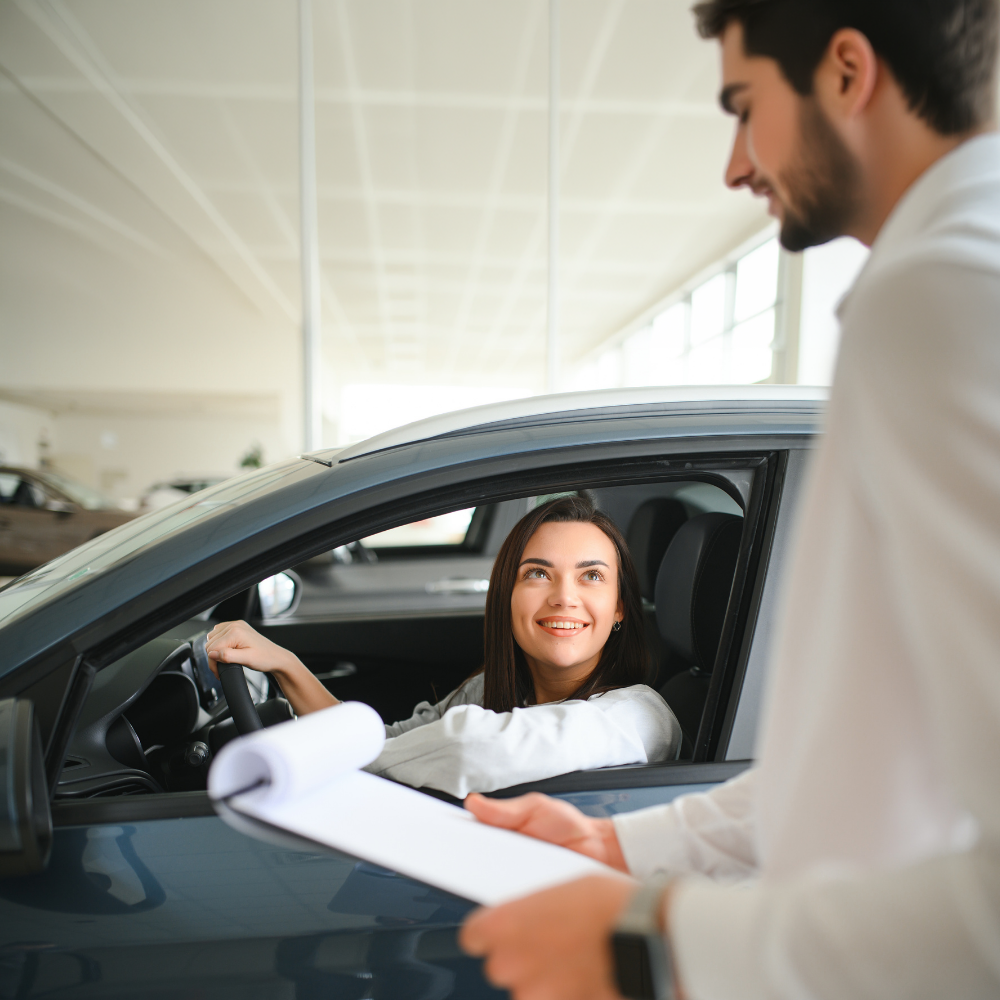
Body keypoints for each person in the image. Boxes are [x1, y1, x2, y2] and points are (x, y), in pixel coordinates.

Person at [459, 2, 1000, 999]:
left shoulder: (946, 294)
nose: (734, 165)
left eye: (743, 108)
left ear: (846, 73)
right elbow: (876, 758)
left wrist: (653, 942)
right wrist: (619, 843)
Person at [205, 496, 681, 797]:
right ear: (506, 596)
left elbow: (467, 749)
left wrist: (335, 759)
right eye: (537, 573)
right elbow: (393, 746)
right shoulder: (490, 690)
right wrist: (286, 666)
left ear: (620, 607)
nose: (563, 596)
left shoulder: (640, 718)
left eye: (591, 576)